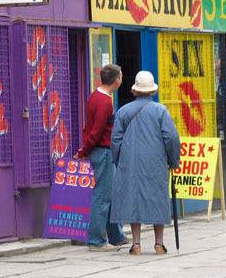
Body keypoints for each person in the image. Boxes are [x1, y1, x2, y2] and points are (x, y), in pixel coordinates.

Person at [110, 71, 180, 255]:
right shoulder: (160, 111)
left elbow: (115, 139)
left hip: (130, 161)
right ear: (152, 90)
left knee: (134, 199)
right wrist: (174, 160)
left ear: (135, 89)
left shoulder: (124, 111)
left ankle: (136, 244)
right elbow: (171, 137)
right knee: (157, 198)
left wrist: (118, 160)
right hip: (155, 161)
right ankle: (159, 244)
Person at [75, 64, 128, 252]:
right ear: (117, 80)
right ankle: (96, 240)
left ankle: (116, 236)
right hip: (103, 152)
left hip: (99, 151)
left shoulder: (94, 96)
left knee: (110, 195)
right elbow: (97, 131)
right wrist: (84, 151)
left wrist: (85, 149)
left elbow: (90, 127)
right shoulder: (106, 102)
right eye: (121, 76)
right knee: (102, 197)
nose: (121, 79)